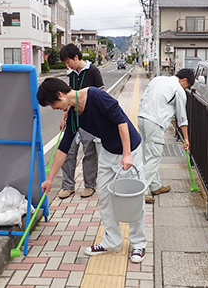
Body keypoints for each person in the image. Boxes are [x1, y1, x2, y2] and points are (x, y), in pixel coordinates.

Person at [37, 78, 147, 263]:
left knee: (132, 200)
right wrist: (50, 178)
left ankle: (139, 244)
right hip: (107, 151)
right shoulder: (73, 115)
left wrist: (127, 154)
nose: (54, 108)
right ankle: (111, 241)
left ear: (59, 94)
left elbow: (121, 122)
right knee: (104, 199)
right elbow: (64, 147)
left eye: (52, 104)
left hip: (129, 150)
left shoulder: (96, 96)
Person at [138, 68, 195, 204]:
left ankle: (155, 186)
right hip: (155, 123)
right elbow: (182, 118)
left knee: (147, 154)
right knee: (154, 156)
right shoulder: (179, 90)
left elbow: (143, 98)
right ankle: (141, 191)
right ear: (184, 80)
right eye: (188, 86)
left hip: (142, 118)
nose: (186, 89)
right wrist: (186, 138)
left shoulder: (157, 79)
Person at [58, 43, 105, 199]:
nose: (67, 65)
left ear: (76, 57)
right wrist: (64, 116)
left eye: (67, 61)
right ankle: (68, 186)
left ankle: (89, 185)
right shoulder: (72, 74)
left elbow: (102, 95)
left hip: (89, 120)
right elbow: (69, 98)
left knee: (89, 152)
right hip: (73, 118)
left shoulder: (93, 71)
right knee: (68, 151)